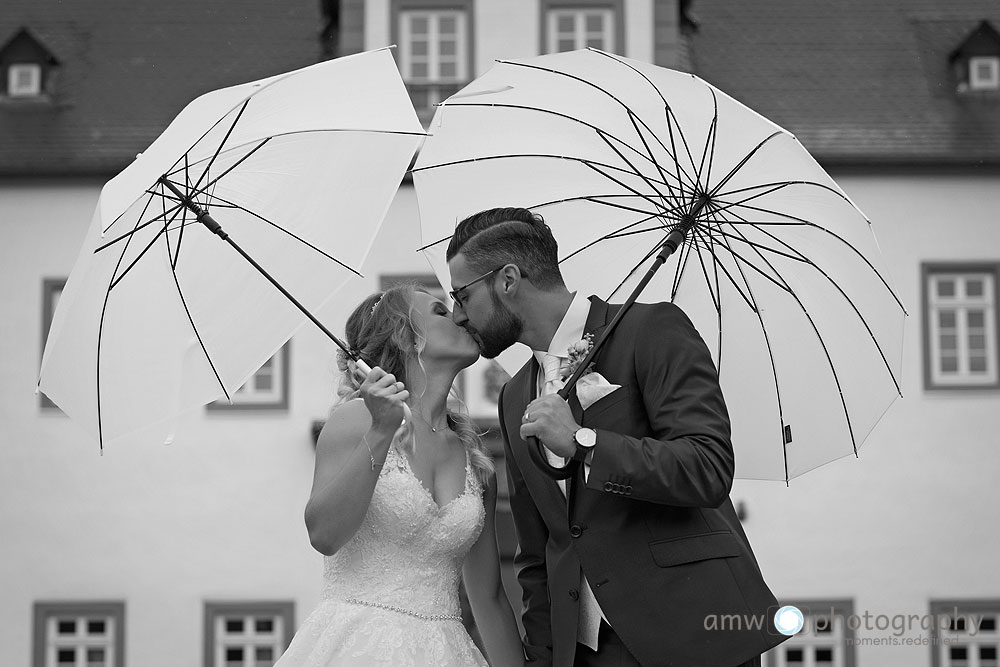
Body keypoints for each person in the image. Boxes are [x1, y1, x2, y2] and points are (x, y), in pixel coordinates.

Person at [446, 208, 789, 667]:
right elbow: (537, 554)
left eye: (462, 296)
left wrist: (584, 444)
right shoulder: (513, 397)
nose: (456, 314)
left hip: (696, 634)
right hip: (588, 652)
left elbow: (707, 468)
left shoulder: (652, 330)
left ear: (507, 280)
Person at [274, 283, 525, 667]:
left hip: (447, 653)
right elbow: (324, 536)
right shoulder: (355, 420)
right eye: (441, 311)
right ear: (407, 338)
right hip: (357, 647)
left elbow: (488, 599)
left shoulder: (475, 459)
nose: (460, 316)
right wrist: (380, 431)